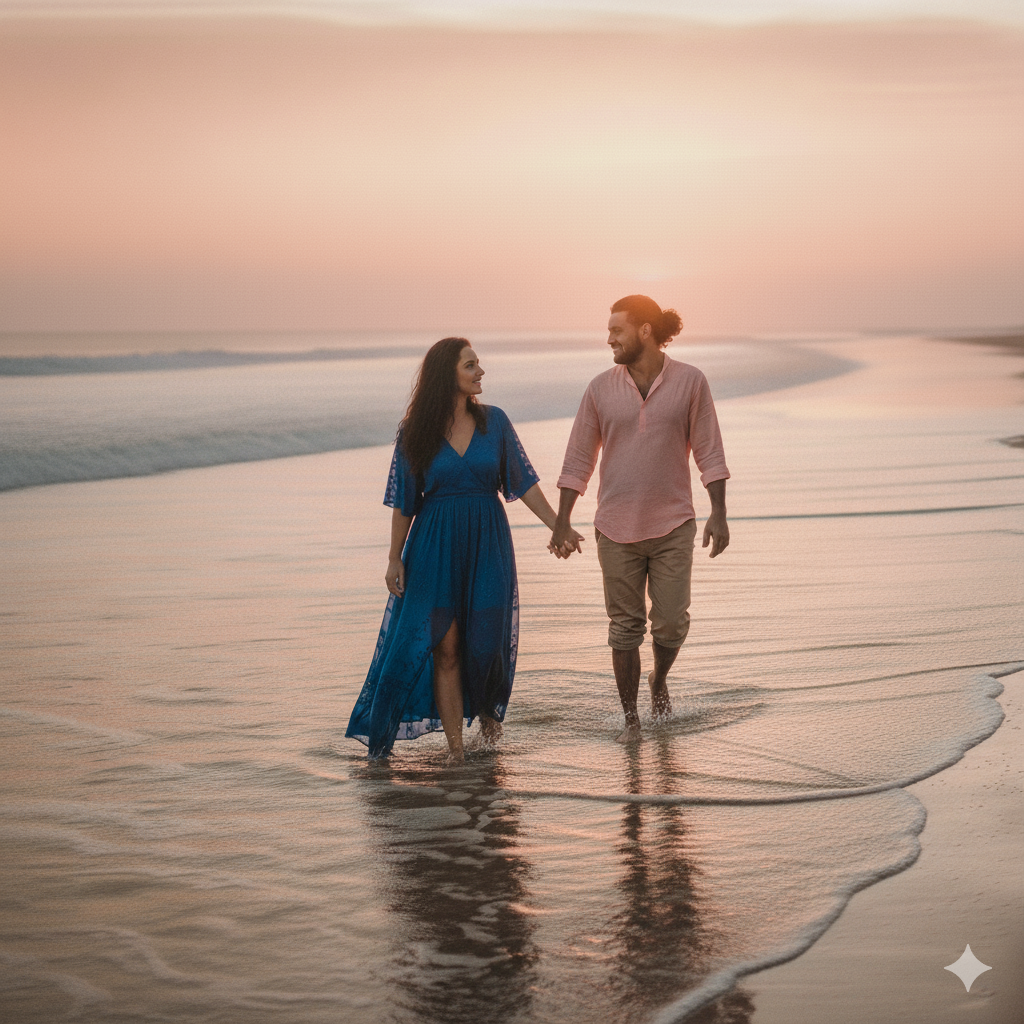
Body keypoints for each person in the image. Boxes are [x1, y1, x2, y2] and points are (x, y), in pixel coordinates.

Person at [347, 337, 582, 764]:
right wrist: (393, 557)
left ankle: (491, 734)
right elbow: (404, 502)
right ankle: (457, 752)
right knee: (447, 648)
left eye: (478, 364)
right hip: (433, 547)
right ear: (447, 374)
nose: (480, 372)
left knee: (487, 645)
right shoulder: (414, 431)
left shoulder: (495, 423)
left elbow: (522, 483)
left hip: (487, 543)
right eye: (471, 365)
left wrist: (559, 526)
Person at [549, 296, 730, 743]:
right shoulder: (599, 389)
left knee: (671, 622)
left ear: (645, 331)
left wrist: (719, 513)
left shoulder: (690, 382)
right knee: (625, 626)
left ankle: (659, 678)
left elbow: (709, 450)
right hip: (614, 526)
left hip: (673, 522)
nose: (609, 338)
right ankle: (631, 719)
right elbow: (577, 459)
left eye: (617, 330)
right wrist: (562, 521)